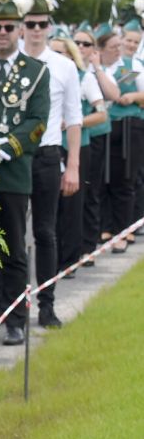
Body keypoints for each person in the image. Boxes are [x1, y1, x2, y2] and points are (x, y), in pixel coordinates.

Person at [0, 0, 50, 345]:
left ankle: (16, 318)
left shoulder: (36, 71)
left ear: (19, 29)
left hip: (14, 172)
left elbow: (37, 122)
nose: (1, 34)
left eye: (8, 27)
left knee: (13, 248)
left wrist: (6, 148)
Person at [19, 0, 83, 329]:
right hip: (13, 156)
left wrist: (72, 166)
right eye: (30, 24)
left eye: (42, 24)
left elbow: (74, 119)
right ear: (22, 26)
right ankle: (7, 306)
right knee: (11, 235)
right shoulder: (10, 62)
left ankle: (46, 304)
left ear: (49, 26)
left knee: (45, 232)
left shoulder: (63, 66)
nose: (36, 30)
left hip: (46, 154)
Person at [48, 36, 106, 278]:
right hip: (49, 146)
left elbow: (101, 114)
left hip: (76, 146)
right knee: (51, 207)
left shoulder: (84, 78)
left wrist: (73, 122)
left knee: (73, 204)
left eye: (61, 52)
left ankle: (70, 259)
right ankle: (51, 257)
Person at [97, 31, 144, 253]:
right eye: (114, 45)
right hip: (102, 128)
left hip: (127, 126)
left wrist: (133, 97)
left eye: (120, 45)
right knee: (102, 179)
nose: (118, 49)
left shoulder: (131, 65)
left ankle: (123, 229)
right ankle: (106, 227)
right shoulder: (96, 69)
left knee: (124, 179)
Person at [75, 32, 119, 265]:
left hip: (94, 138)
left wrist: (97, 66)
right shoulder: (67, 69)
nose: (80, 47)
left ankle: (88, 246)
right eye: (77, 43)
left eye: (86, 44)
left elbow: (113, 97)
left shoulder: (94, 73)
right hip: (73, 140)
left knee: (92, 191)